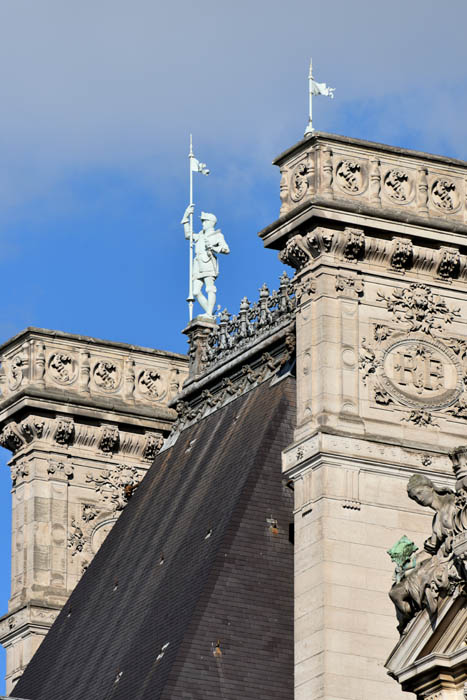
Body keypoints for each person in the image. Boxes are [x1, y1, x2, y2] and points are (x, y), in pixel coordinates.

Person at [388, 474, 457, 633]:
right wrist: (408, 564)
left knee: (397, 593)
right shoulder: (437, 517)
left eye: (419, 493)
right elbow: (430, 549)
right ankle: (408, 625)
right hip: (439, 559)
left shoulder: (451, 505)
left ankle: (411, 625)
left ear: (430, 487)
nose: (417, 498)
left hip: (445, 560)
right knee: (395, 591)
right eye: (414, 497)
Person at [181, 204, 230, 317]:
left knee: (209, 288)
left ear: (210, 222)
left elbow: (226, 249)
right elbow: (188, 235)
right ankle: (210, 313)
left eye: (204, 221)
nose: (203, 224)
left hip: (208, 261)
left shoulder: (217, 235)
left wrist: (213, 248)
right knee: (196, 292)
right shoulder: (200, 236)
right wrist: (186, 216)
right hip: (198, 264)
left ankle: (208, 313)